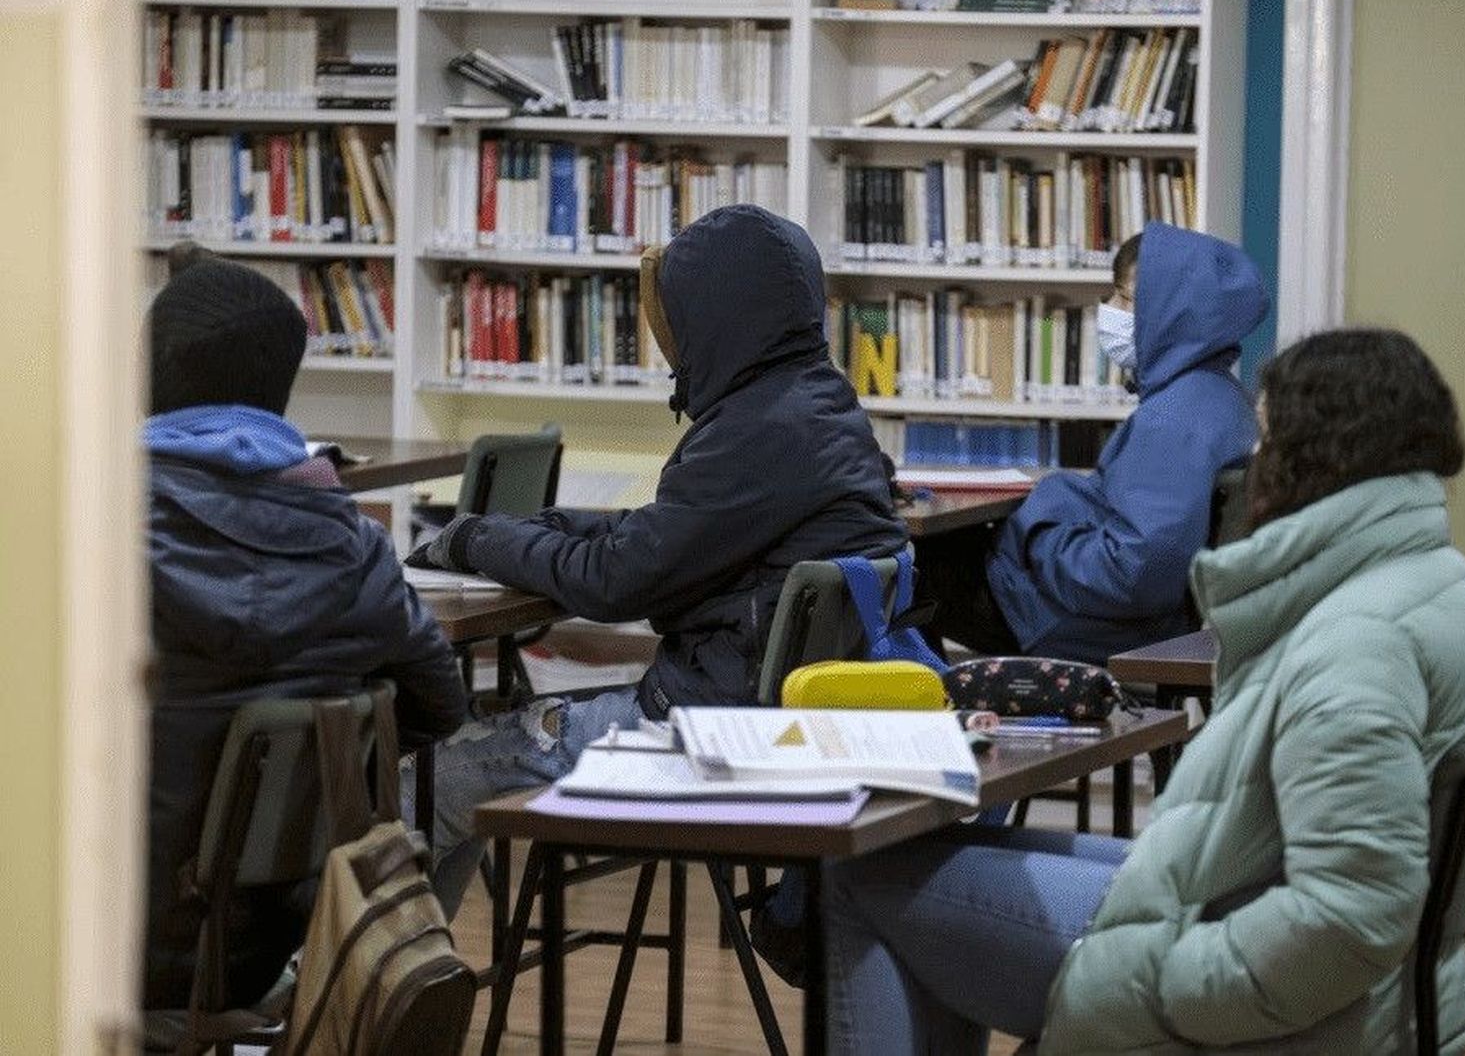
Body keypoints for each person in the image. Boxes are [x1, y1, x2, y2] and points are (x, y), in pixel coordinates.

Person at [825, 328, 1465, 1054]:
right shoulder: (1435, 585)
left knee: (861, 881)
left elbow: (1349, 916)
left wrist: (1154, 985)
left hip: (1275, 992)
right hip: (1316, 954)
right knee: (922, 856)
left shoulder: (1359, 644)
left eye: (1267, 439)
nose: (1253, 463)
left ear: (1317, 455)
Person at [409, 205, 907, 911]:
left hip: (703, 733)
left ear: (715, 316)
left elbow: (613, 583)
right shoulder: (818, 406)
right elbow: (669, 535)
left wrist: (474, 540)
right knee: (458, 764)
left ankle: (377, 975)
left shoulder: (757, 431)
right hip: (770, 720)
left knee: (423, 779)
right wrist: (542, 526)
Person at [143, 246, 469, 1013]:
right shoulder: (357, 547)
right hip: (267, 947)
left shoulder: (89, 538)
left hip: (89, 933)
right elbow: (439, 706)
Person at [920, 222, 1263, 665]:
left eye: (1125, 299)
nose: (1110, 310)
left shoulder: (1173, 421)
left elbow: (1133, 573)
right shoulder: (1219, 397)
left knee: (909, 569)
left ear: (1173, 313)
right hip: (1135, 615)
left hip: (1091, 623)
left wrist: (1039, 530)